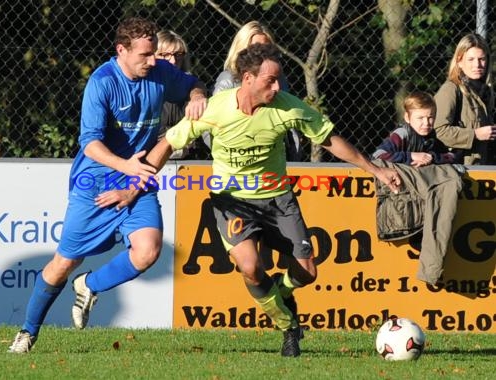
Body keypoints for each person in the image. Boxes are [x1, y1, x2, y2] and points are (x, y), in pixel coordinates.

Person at [99, 43, 402, 357]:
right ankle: (288, 326)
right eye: (269, 81)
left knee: (308, 272)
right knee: (250, 267)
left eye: (278, 80)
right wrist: (133, 188)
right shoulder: (215, 109)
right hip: (232, 202)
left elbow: (328, 140)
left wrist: (374, 170)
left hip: (277, 199)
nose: (276, 86)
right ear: (247, 79)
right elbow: (166, 145)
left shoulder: (288, 107)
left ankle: (281, 294)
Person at [7, 17, 207, 354]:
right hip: (95, 184)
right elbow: (90, 144)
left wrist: (197, 96)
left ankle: (90, 285)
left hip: (137, 178)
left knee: (148, 251)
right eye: (144, 54)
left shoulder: (158, 71)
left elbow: (192, 83)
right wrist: (126, 165)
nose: (152, 60)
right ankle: (27, 332)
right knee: (64, 263)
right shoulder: (102, 82)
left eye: (154, 53)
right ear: (122, 50)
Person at [372, 92, 464, 285]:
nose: (426, 123)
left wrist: (432, 158)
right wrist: (411, 156)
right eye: (420, 118)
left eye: (430, 117)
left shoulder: (432, 136)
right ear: (407, 118)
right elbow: (379, 155)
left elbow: (449, 157)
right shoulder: (402, 134)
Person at [211, 21, 302, 162]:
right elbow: (210, 125)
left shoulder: (278, 79)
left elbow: (289, 114)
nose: (261, 53)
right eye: (255, 47)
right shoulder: (227, 80)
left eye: (266, 47)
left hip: (277, 157)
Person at [434, 33, 496, 165]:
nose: (477, 65)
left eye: (482, 59)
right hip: (458, 172)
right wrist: (475, 135)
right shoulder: (450, 90)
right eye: (471, 59)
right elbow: (438, 131)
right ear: (459, 61)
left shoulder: (486, 92)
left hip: (484, 167)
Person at [156, 30, 208, 159]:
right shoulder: (146, 87)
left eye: (178, 54)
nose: (173, 60)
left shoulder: (192, 84)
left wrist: (197, 96)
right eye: (165, 55)